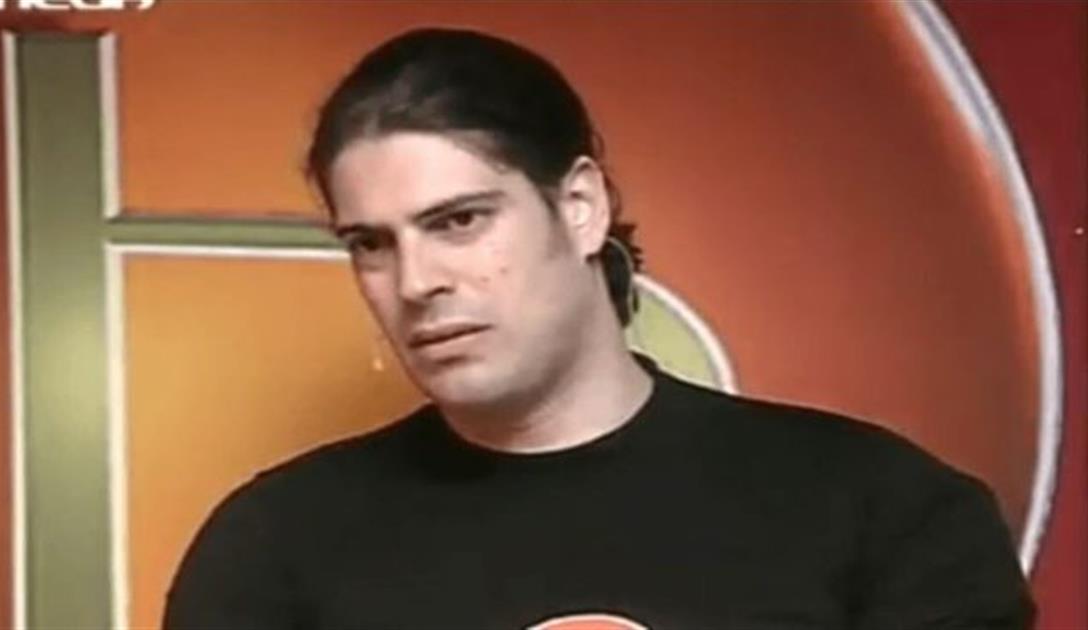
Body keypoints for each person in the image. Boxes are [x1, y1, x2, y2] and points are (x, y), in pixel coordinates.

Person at [163, 27, 1033, 629]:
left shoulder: (883, 511)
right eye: (371, 244)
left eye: (460, 221)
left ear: (579, 207)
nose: (417, 282)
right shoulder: (275, 545)